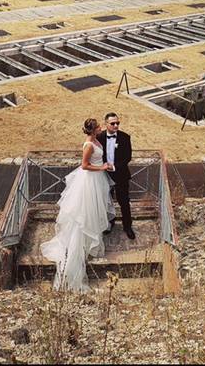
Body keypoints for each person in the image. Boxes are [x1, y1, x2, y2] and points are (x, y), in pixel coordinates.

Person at [40, 118, 116, 292]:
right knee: (84, 214)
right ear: (93, 130)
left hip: (97, 180)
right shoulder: (89, 145)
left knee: (94, 212)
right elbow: (84, 165)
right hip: (89, 181)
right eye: (98, 126)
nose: (101, 128)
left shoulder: (96, 139)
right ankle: (76, 253)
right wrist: (102, 168)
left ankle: (89, 241)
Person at [97, 112, 135, 240]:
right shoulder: (100, 137)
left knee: (124, 202)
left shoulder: (125, 137)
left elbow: (127, 157)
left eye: (117, 123)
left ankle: (128, 227)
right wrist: (103, 166)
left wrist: (114, 167)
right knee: (106, 202)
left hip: (121, 175)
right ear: (106, 124)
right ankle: (109, 224)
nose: (116, 125)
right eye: (113, 123)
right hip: (104, 175)